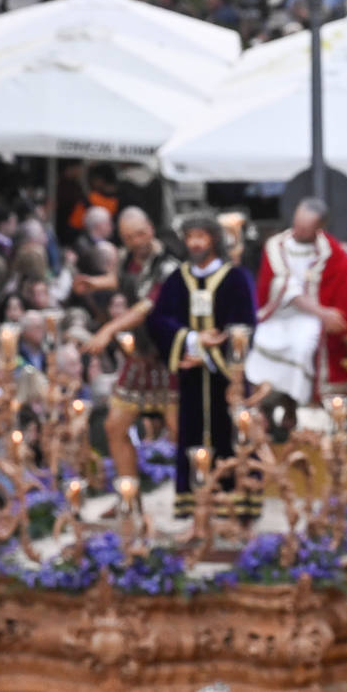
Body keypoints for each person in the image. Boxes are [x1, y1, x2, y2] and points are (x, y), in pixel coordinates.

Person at [146, 217, 256, 517]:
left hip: (226, 375)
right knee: (192, 432)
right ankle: (193, 501)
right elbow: (158, 320)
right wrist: (192, 341)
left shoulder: (236, 278)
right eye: (190, 237)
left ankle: (234, 501)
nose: (195, 243)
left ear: (214, 240)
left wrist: (211, 353)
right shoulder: (177, 279)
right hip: (191, 374)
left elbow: (244, 324)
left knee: (231, 432)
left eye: (201, 237)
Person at [246, 199, 347, 408]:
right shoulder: (277, 246)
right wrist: (322, 313)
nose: (297, 231)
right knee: (267, 340)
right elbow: (286, 287)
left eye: (304, 228)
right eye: (297, 224)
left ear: (319, 228)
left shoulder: (327, 247)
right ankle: (274, 402)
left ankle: (302, 403)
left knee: (306, 342)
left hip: (312, 317)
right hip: (283, 312)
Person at [83, 208, 181, 488]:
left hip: (168, 357)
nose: (137, 241)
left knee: (181, 432)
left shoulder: (168, 265)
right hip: (140, 355)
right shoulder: (128, 257)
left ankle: (198, 500)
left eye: (140, 233)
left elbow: (145, 307)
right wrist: (95, 283)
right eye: (129, 237)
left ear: (150, 228)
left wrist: (108, 329)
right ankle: (128, 496)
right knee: (115, 426)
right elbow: (125, 280)